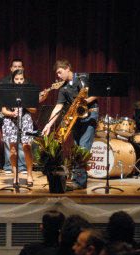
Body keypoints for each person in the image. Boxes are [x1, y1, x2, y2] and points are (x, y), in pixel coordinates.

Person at [42, 60, 98, 190]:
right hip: (76, 118)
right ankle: (80, 180)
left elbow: (98, 91)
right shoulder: (63, 88)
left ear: (68, 68)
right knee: (77, 148)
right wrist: (48, 125)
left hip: (90, 114)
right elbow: (58, 107)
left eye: (60, 72)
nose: (59, 76)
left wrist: (87, 100)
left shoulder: (83, 77)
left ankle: (78, 182)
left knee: (83, 148)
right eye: (57, 74)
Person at [1, 69, 36, 186]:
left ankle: (29, 174)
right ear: (13, 80)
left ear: (24, 80)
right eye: (17, 79)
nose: (19, 81)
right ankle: (15, 174)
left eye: (21, 79)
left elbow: (34, 109)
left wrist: (24, 104)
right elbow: (3, 110)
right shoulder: (7, 91)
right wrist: (11, 113)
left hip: (25, 119)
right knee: (13, 149)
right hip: (11, 120)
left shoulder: (29, 91)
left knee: (27, 147)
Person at [0, 59, 28, 174]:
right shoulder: (4, 81)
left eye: (20, 66)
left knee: (21, 141)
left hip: (21, 115)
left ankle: (22, 166)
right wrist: (3, 103)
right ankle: (9, 166)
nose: (17, 69)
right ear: (11, 68)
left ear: (23, 68)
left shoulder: (26, 82)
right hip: (6, 113)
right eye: (15, 66)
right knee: (9, 142)